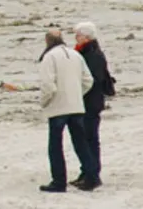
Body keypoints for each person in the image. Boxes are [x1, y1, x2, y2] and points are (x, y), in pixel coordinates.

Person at [37, 29, 96, 192]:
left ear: (47, 41)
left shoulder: (49, 57)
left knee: (55, 145)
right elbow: (88, 80)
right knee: (80, 143)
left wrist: (44, 102)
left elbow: (48, 85)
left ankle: (59, 181)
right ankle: (91, 177)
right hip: (76, 106)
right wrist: (77, 94)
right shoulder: (75, 55)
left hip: (58, 107)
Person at [71, 22, 115, 190]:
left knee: (90, 138)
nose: (76, 37)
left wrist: (78, 92)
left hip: (91, 103)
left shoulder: (93, 54)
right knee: (85, 138)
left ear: (87, 37)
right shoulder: (84, 52)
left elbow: (93, 80)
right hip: (86, 102)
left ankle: (93, 175)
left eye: (78, 35)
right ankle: (86, 171)